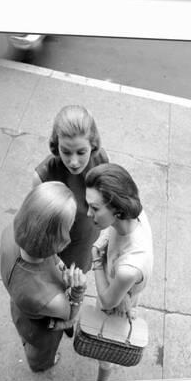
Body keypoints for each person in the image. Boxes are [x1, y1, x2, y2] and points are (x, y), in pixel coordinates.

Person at [0, 182, 87, 373]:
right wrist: (78, 290)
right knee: (40, 352)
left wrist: (57, 262)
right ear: (57, 240)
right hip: (40, 329)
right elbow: (70, 315)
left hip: (20, 308)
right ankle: (42, 364)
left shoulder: (10, 233)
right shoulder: (50, 298)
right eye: (70, 225)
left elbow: (44, 250)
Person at [85, 163, 153, 381]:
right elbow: (111, 229)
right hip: (121, 291)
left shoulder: (129, 267)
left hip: (116, 302)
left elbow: (106, 301)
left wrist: (96, 259)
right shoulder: (135, 213)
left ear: (118, 210)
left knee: (106, 348)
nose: (88, 213)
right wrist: (104, 240)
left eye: (95, 209)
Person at [33, 105, 109, 273]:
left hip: (87, 247)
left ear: (93, 145)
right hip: (58, 260)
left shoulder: (102, 160)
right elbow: (39, 231)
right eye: (66, 152)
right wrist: (56, 264)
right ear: (56, 145)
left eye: (81, 152)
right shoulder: (43, 177)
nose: (74, 162)